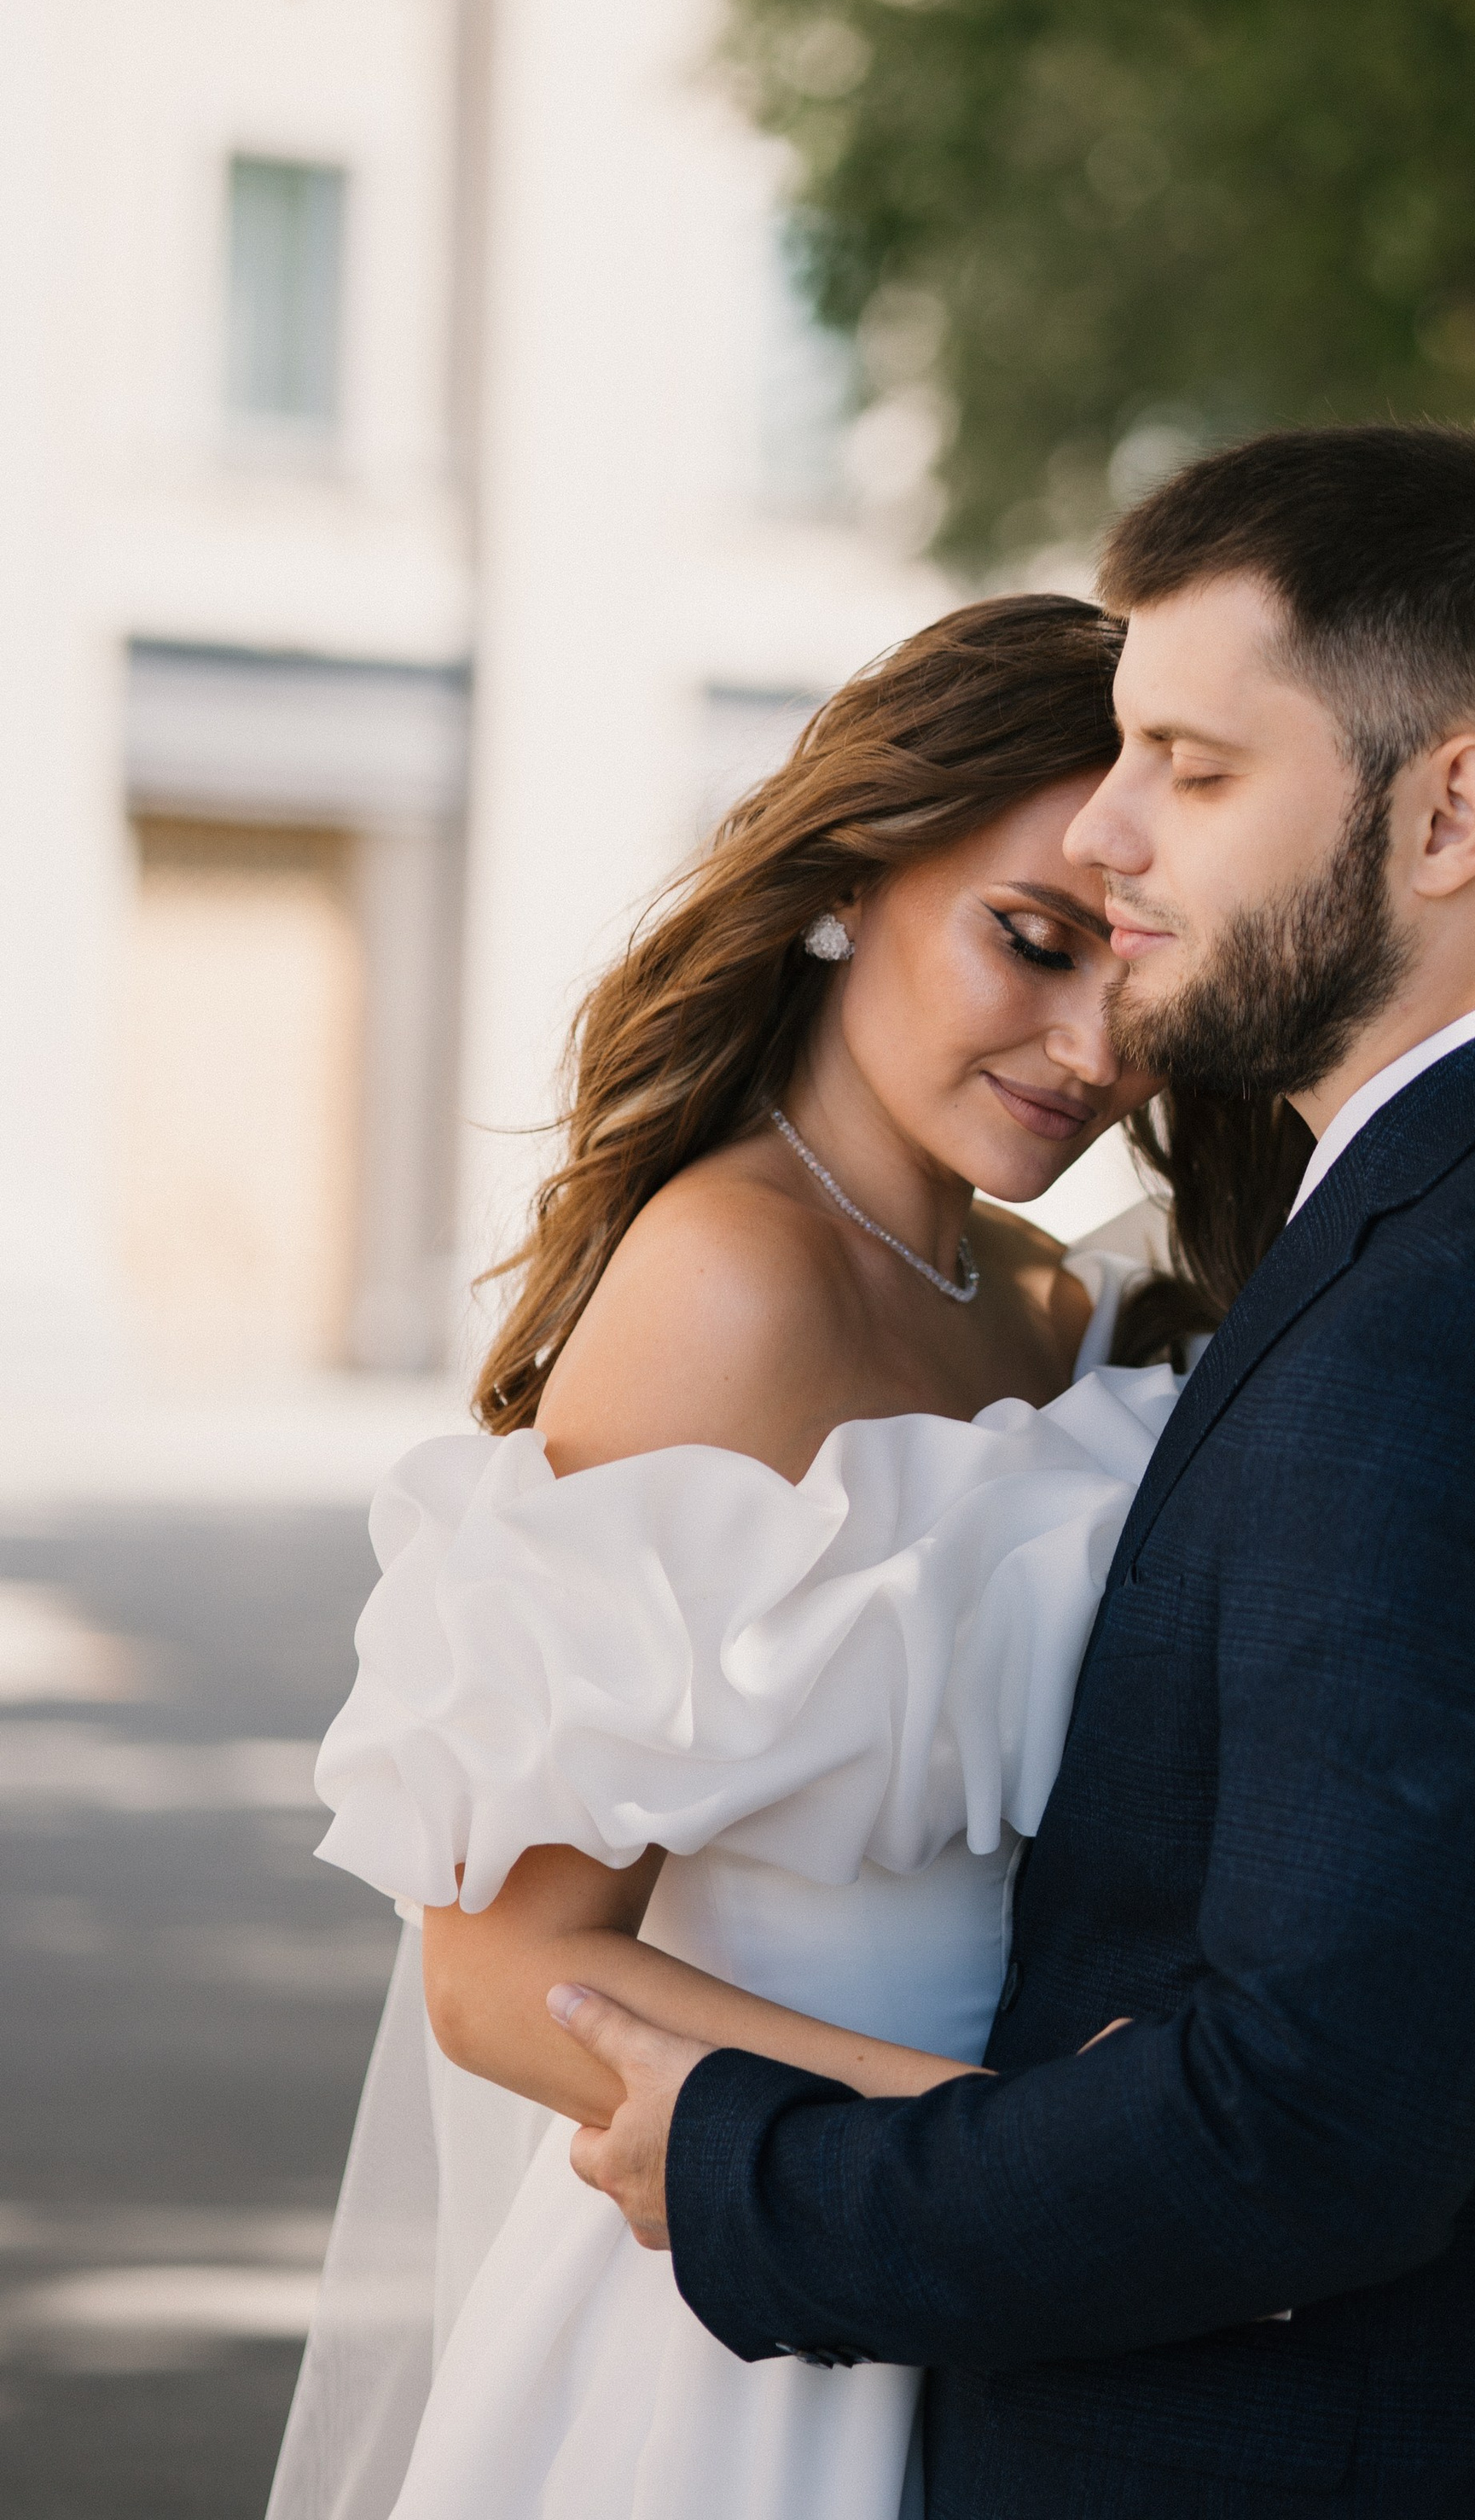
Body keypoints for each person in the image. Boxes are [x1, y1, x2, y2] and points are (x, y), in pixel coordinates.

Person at [560, 423, 1475, 2519]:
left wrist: (754, 2170)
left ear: (1449, 808)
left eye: (1190, 767)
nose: (1112, 835)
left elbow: (1304, 2137)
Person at [269, 594, 1298, 2520]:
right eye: (1031, 939)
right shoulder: (724, 1286)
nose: (1092, 1046)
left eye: (1137, 974)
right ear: (847, 875)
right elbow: (504, 1980)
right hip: (756, 2311)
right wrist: (1011, 2157)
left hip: (998, 2274)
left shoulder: (1049, 1291)